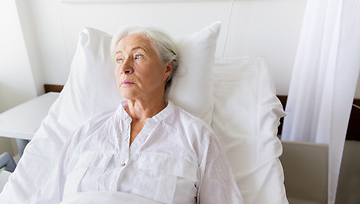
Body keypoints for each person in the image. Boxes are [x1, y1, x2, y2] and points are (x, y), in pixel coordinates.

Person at [25, 26, 243, 204]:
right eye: (119, 59)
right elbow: (48, 196)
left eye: (137, 56)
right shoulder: (87, 132)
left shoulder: (196, 137)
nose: (125, 67)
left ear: (167, 69)